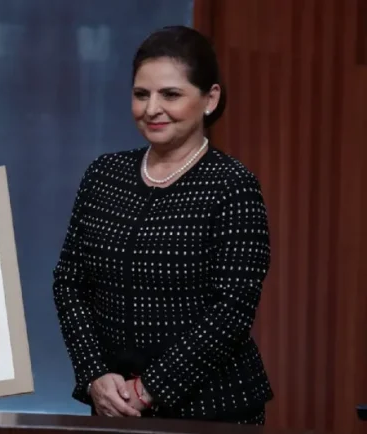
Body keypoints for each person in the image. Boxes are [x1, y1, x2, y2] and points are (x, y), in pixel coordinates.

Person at [52, 25, 273, 425]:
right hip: (113, 409)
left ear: (210, 98)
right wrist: (94, 376)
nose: (152, 108)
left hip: (214, 413)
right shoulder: (104, 176)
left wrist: (149, 388)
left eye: (170, 94)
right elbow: (70, 284)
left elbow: (233, 310)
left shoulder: (233, 185)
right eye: (141, 94)